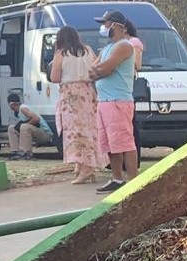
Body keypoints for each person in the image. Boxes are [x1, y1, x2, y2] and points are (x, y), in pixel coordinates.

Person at [90, 11, 141, 193]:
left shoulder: (125, 46)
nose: (103, 27)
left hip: (119, 101)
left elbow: (105, 68)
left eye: (106, 23)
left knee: (125, 142)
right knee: (111, 144)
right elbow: (94, 70)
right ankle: (117, 179)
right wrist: (101, 70)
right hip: (104, 101)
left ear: (117, 26)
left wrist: (101, 70)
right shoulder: (106, 49)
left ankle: (133, 181)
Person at [49, 27, 107, 185]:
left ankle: (85, 167)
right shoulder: (88, 50)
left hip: (70, 94)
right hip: (88, 92)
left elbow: (54, 77)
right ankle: (84, 164)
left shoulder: (61, 54)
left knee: (75, 132)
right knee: (89, 129)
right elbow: (97, 68)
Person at [5, 93, 54, 159]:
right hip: (35, 133)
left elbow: (36, 119)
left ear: (11, 104)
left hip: (45, 134)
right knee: (11, 128)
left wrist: (26, 124)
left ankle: (27, 152)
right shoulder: (18, 112)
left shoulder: (23, 109)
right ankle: (16, 152)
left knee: (24, 127)